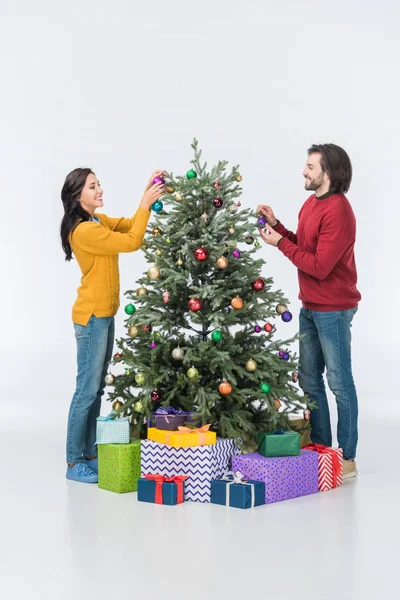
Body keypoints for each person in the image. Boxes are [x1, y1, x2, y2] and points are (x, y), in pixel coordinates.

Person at [257, 144, 361, 479]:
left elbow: (318, 266)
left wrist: (279, 244)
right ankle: (321, 448)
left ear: (328, 172)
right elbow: (304, 246)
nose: (304, 171)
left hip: (333, 309)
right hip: (310, 307)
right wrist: (279, 227)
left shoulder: (339, 211)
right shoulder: (311, 203)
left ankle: (346, 458)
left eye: (310, 166)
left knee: (339, 383)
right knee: (308, 380)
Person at [60, 168, 165, 483]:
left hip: (105, 314)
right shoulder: (84, 231)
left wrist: (146, 192)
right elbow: (132, 242)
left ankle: (90, 455)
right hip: (91, 316)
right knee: (86, 390)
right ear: (79, 196)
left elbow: (132, 226)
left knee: (96, 389)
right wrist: (146, 202)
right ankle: (73, 462)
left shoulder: (97, 222)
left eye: (99, 184)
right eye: (93, 187)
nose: (100, 190)